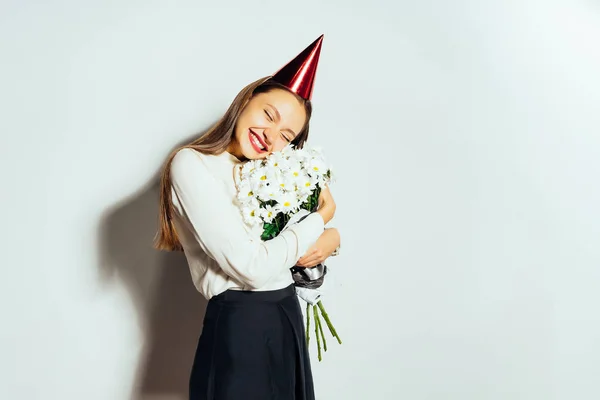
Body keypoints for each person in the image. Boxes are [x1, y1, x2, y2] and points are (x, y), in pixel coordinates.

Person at [153, 34, 341, 400]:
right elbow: (252, 267)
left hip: (285, 315)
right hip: (240, 325)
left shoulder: (273, 172)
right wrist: (324, 217)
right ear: (246, 100)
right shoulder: (192, 164)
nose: (271, 137)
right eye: (269, 115)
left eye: (286, 135)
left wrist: (332, 240)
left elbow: (297, 265)